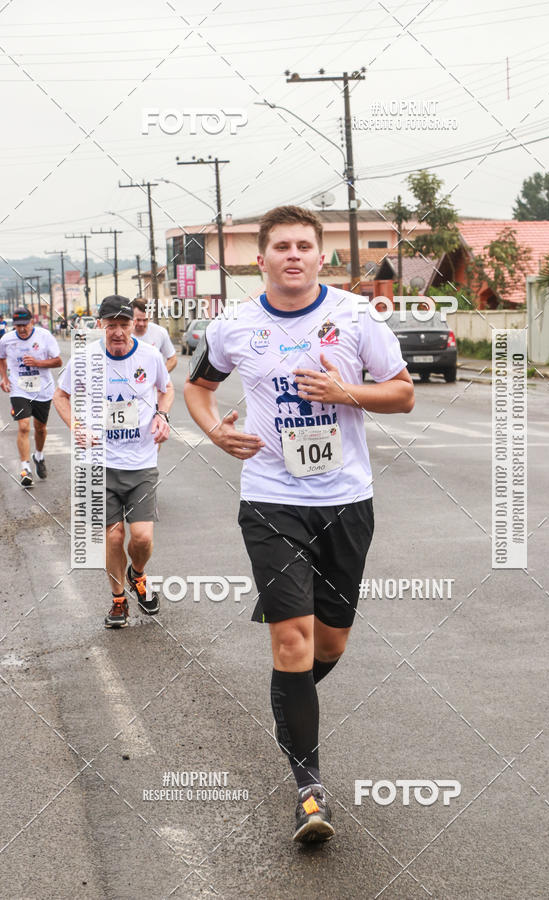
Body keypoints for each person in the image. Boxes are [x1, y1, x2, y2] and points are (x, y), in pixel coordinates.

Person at [184, 205, 415, 843]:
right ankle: (310, 791)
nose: (293, 255)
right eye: (281, 246)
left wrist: (347, 393)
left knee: (329, 645)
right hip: (270, 499)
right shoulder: (234, 326)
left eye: (304, 246)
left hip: (345, 500)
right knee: (292, 640)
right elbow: (197, 389)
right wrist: (215, 431)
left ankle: (289, 705)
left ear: (320, 257)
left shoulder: (357, 317)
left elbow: (402, 392)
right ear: (260, 259)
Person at [53, 295, 174, 629]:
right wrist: (76, 427)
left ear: (134, 324)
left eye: (124, 324)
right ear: (100, 325)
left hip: (141, 462)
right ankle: (118, 599)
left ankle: (138, 574)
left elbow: (167, 389)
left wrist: (162, 415)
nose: (118, 332)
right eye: (111, 325)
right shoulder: (85, 359)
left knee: (142, 538)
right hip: (99, 463)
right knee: (114, 537)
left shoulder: (149, 356)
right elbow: (60, 395)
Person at [0, 306, 62, 486]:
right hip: (19, 389)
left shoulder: (44, 336)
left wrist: (37, 363)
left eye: (25, 325)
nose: (21, 329)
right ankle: (25, 468)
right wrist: (4, 377)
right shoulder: (6, 339)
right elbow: (1, 358)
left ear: (32, 322)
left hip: (43, 389)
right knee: (24, 426)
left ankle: (39, 456)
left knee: (40, 428)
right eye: (18, 325)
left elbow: (58, 361)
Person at [131, 299, 177, 372]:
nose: (141, 324)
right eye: (138, 320)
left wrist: (160, 375)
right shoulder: (123, 334)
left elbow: (172, 359)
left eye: (145, 320)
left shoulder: (160, 332)